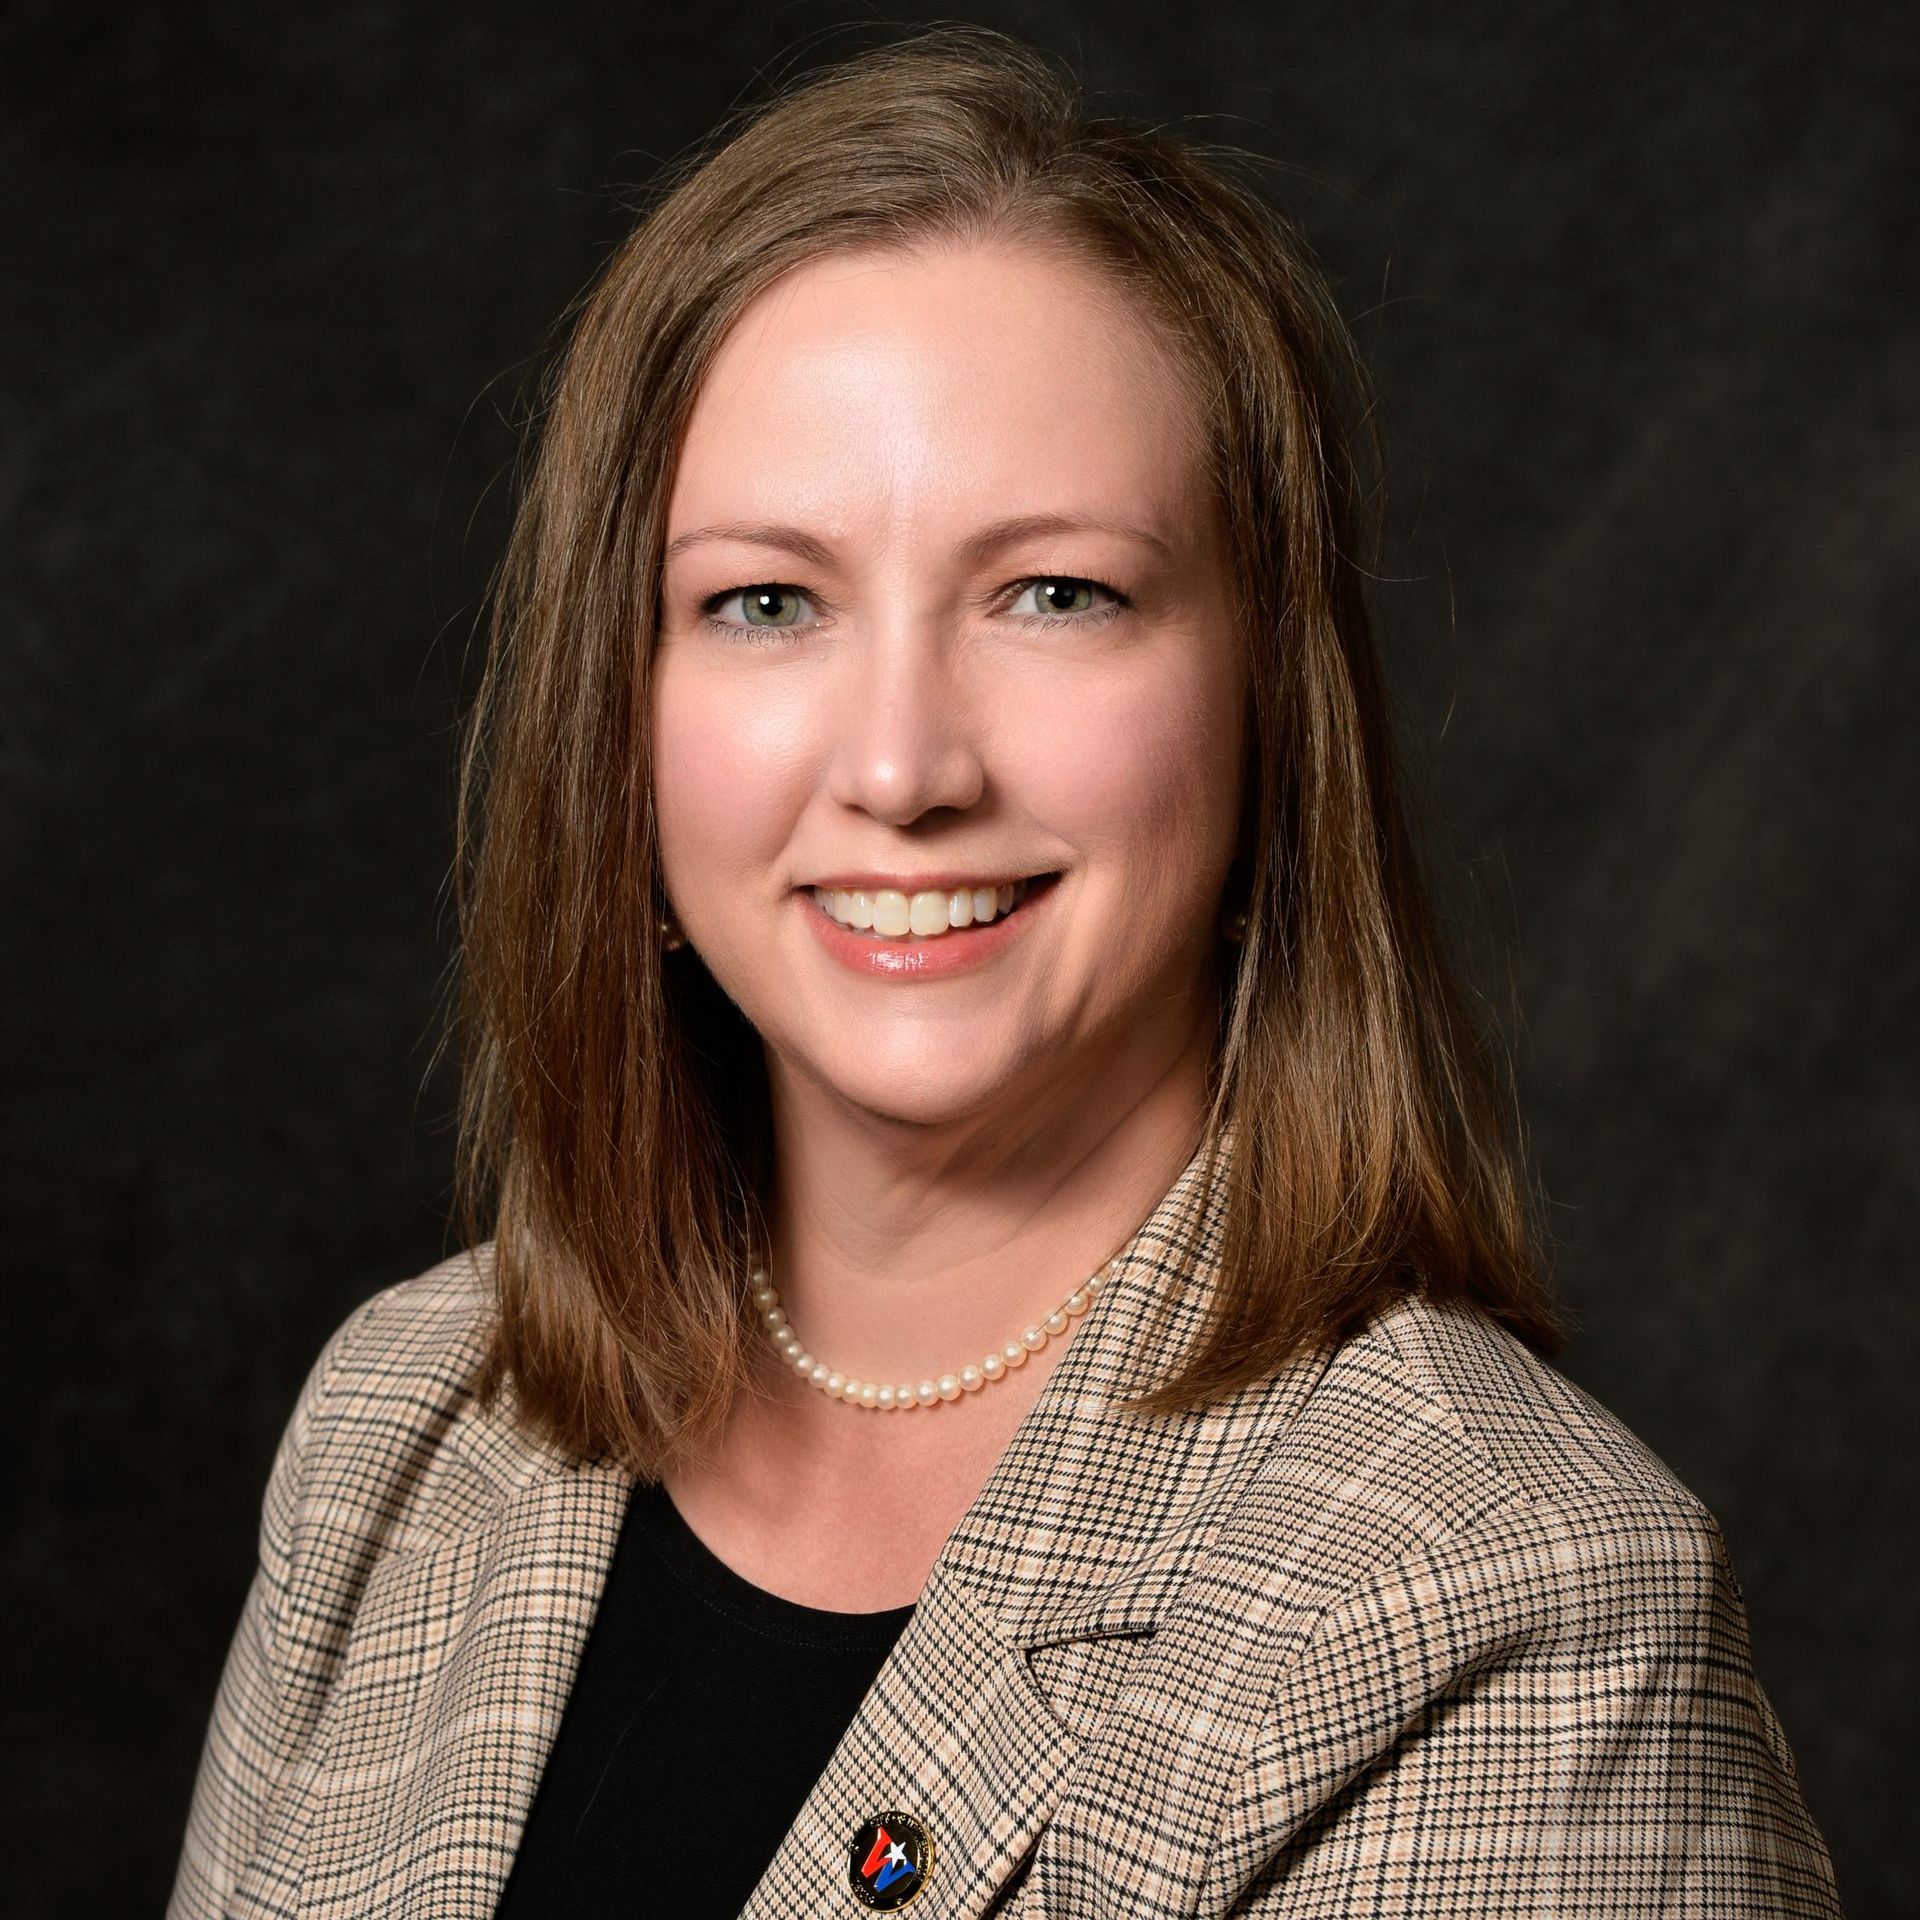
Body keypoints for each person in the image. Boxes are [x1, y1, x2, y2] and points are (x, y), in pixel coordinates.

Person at [168, 26, 1842, 1920]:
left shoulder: (1503, 1604)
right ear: (612, 725)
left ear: (1268, 710)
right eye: (764, 602)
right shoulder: (405, 1422)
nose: (900, 768)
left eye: (1057, 592)